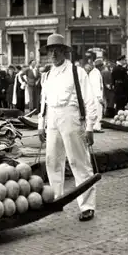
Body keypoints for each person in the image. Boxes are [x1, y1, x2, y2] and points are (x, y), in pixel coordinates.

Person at [37, 34, 97, 222]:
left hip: (72, 118)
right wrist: (41, 124)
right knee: (52, 160)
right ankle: (57, 199)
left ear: (64, 51)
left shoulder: (76, 72)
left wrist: (90, 126)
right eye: (50, 50)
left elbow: (90, 100)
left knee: (78, 162)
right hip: (53, 120)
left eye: (57, 50)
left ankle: (87, 206)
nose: (53, 54)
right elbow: (43, 102)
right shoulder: (47, 75)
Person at [88, 59, 105, 133]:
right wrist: (99, 97)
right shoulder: (95, 73)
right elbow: (96, 86)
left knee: (96, 111)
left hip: (94, 95)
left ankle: (95, 126)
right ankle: (97, 127)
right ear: (100, 66)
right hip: (96, 96)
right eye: (102, 65)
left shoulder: (95, 72)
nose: (103, 67)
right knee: (98, 111)